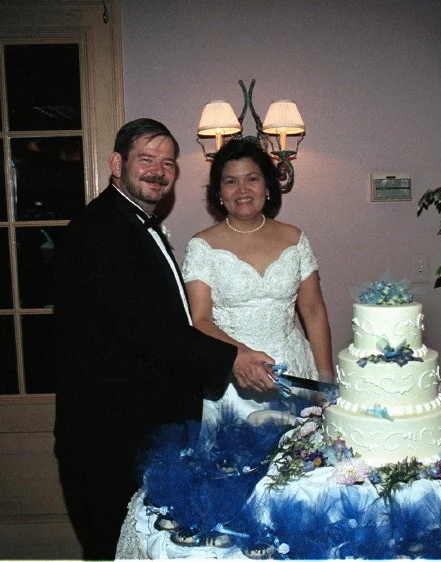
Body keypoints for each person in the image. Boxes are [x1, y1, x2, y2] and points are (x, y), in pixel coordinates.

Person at [52, 119, 276, 560]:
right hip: (107, 441)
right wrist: (231, 359)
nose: (158, 170)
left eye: (167, 162)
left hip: (142, 430)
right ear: (117, 164)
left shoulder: (133, 224)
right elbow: (144, 329)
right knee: (112, 548)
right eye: (146, 159)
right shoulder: (98, 231)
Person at [181, 138, 334, 427]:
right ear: (219, 192)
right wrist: (244, 357)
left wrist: (325, 380)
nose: (242, 190)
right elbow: (200, 321)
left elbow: (313, 311)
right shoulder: (202, 246)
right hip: (233, 377)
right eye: (231, 181)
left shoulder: (295, 238)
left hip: (294, 373)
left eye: (252, 179)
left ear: (267, 186)